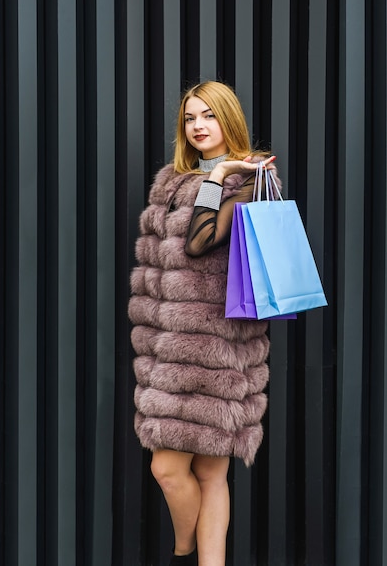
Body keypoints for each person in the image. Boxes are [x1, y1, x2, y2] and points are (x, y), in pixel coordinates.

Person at [128, 80, 277, 566]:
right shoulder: (170, 181)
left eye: (208, 116)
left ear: (228, 119)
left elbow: (199, 241)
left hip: (216, 346)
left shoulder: (249, 182)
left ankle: (187, 553)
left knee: (207, 472)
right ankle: (187, 552)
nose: (197, 127)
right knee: (172, 470)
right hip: (168, 352)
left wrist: (221, 176)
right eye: (190, 118)